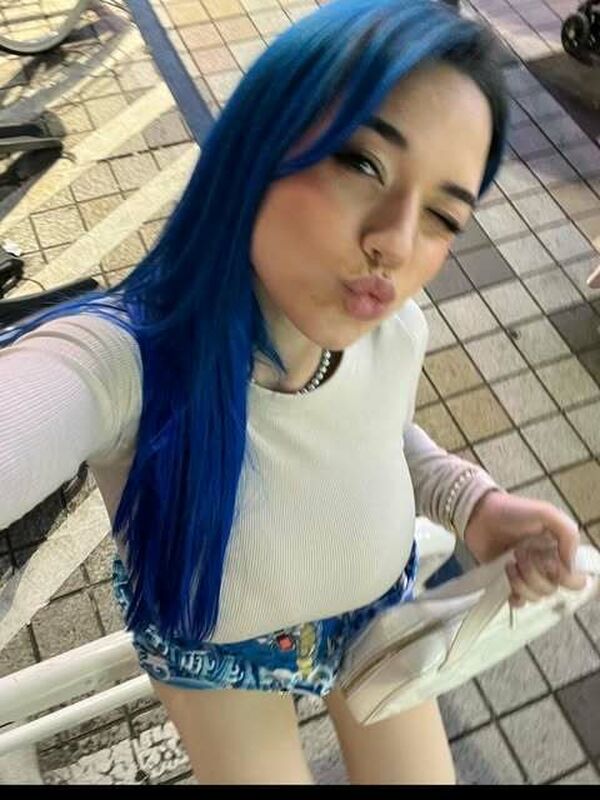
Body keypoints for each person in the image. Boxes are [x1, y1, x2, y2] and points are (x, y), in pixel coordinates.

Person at [0, 0, 587, 785]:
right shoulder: (126, 358)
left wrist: (470, 503)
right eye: (362, 164)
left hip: (375, 611)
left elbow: (376, 433)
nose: (396, 242)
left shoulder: (395, 328)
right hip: (218, 659)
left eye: (444, 216)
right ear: (261, 140)